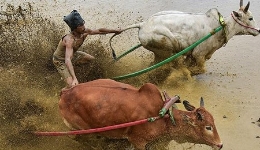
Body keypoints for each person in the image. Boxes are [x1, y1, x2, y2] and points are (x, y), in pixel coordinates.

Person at [53, 10, 121, 90]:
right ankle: (62, 93)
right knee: (71, 86)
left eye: (83, 23)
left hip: (73, 54)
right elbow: (67, 60)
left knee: (91, 59)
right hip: (60, 61)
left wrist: (115, 31)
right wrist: (74, 78)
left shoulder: (84, 32)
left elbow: (99, 31)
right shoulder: (69, 40)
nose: (83, 27)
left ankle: (75, 68)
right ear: (74, 28)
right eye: (80, 25)